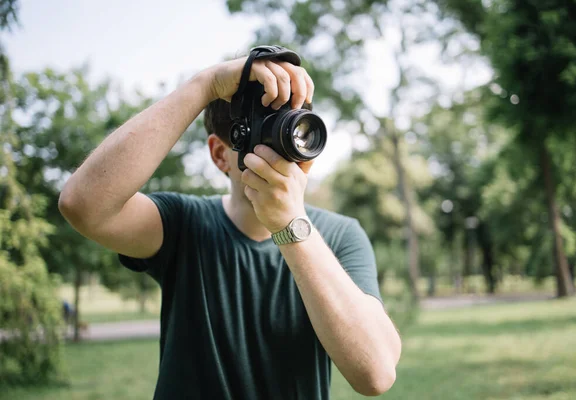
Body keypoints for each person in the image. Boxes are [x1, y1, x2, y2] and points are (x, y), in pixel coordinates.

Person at [58, 50, 402, 399]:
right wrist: (205, 85)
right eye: (267, 130)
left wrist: (291, 224)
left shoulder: (340, 237)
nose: (286, 150)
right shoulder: (183, 224)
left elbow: (375, 373)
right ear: (221, 154)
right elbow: (83, 205)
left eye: (293, 126)